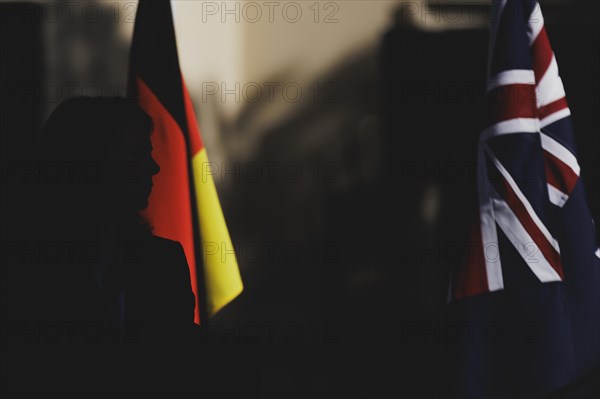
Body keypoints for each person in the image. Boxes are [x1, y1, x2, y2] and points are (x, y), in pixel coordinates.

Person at [6, 96, 196, 344]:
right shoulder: (25, 270)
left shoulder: (164, 264)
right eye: (136, 154)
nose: (153, 167)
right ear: (91, 162)